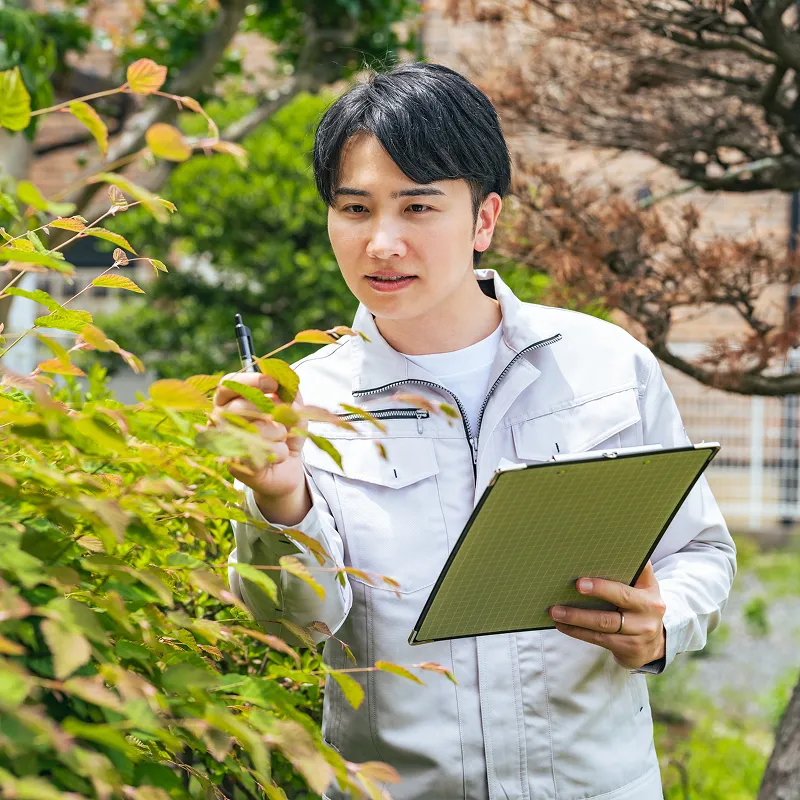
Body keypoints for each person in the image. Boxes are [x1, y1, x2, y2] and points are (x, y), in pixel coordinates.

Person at [220, 62, 736, 800]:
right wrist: (277, 500)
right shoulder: (308, 402)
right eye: (356, 209)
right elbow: (295, 621)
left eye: (419, 208)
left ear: (484, 219)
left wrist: (663, 623)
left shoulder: (606, 365)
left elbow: (701, 553)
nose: (383, 242)